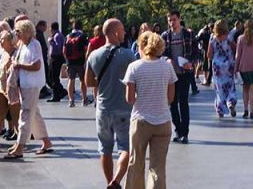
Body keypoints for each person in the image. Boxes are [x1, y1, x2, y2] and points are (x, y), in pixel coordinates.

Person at [84, 19, 136, 189]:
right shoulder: (128, 55)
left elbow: (89, 82)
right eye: (121, 30)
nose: (124, 33)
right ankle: (116, 181)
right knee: (125, 147)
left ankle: (109, 182)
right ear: (114, 33)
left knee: (105, 149)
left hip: (103, 108)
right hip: (123, 108)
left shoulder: (94, 55)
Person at [123, 31, 176, 189]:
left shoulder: (134, 67)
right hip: (163, 121)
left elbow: (130, 99)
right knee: (158, 167)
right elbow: (171, 98)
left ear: (142, 46)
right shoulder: (167, 67)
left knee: (136, 163)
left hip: (141, 121)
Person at [7, 18, 53, 158]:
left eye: (18, 31)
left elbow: (37, 65)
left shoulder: (34, 44)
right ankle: (46, 142)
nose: (16, 33)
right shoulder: (22, 45)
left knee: (25, 115)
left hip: (32, 86)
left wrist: (19, 66)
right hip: (25, 86)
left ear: (26, 31)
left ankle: (20, 146)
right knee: (34, 115)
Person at [161, 10, 200, 144]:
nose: (172, 23)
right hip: (171, 75)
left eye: (174, 20)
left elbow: (196, 52)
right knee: (172, 103)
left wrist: (191, 63)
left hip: (185, 73)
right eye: (170, 20)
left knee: (183, 102)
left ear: (179, 19)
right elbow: (161, 53)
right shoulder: (165, 36)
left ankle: (185, 132)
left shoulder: (188, 34)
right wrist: (166, 59)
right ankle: (178, 129)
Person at [207, 20, 237, 118]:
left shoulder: (213, 38)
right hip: (229, 65)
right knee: (230, 85)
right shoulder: (229, 37)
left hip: (217, 67)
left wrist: (214, 58)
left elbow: (209, 54)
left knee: (219, 88)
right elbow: (235, 49)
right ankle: (231, 102)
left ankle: (220, 109)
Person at [236, 19, 253, 119]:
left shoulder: (240, 38)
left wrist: (236, 68)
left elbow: (238, 55)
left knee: (245, 90)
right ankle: (252, 111)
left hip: (243, 67)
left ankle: (245, 110)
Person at [65, 20, 89, 107]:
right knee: (83, 81)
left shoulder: (68, 36)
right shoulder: (82, 36)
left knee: (71, 80)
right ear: (81, 26)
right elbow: (86, 49)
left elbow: (64, 50)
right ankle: (84, 99)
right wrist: (86, 61)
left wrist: (67, 60)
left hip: (70, 62)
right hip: (80, 62)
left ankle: (71, 101)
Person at [47, 21, 67, 102]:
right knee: (51, 76)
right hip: (54, 58)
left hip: (56, 58)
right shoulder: (56, 35)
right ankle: (60, 92)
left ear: (52, 28)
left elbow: (58, 47)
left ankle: (58, 94)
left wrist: (51, 41)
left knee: (54, 77)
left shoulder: (57, 36)